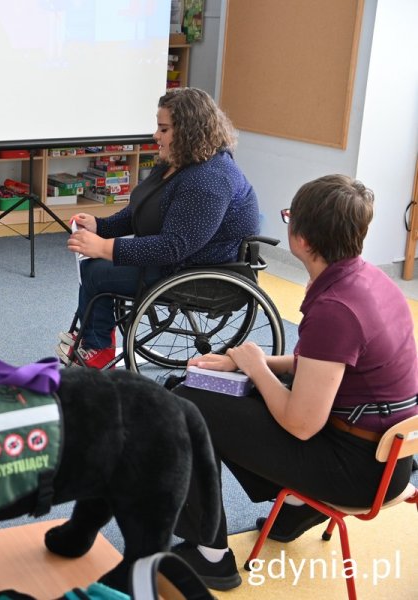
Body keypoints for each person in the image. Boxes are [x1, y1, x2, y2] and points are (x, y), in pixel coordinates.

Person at [168, 175, 418, 591]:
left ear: (300, 238)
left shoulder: (336, 308)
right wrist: (253, 362)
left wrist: (257, 368)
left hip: (356, 472)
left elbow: (302, 424)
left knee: (183, 406)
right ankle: (298, 507)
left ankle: (209, 556)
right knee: (206, 390)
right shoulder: (370, 280)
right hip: (389, 459)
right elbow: (325, 366)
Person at [58, 87, 259, 368]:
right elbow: (141, 210)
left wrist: (105, 247)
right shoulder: (177, 163)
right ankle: (93, 333)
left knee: (96, 271)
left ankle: (98, 345)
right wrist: (100, 226)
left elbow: (173, 246)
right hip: (179, 259)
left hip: (195, 270)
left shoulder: (209, 180)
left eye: (163, 129)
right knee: (94, 263)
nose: (156, 135)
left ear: (189, 131)